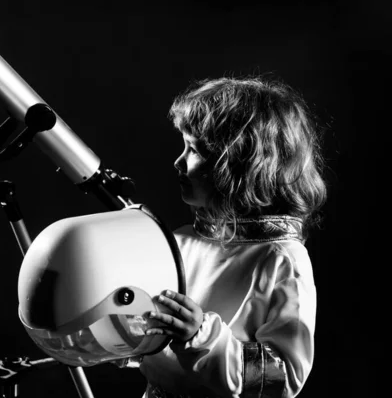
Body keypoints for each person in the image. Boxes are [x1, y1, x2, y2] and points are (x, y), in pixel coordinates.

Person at [138, 76, 327, 398]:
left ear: (240, 164)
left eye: (194, 150)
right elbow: (150, 346)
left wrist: (201, 336)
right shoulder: (180, 242)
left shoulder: (281, 259)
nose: (178, 162)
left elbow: (281, 381)